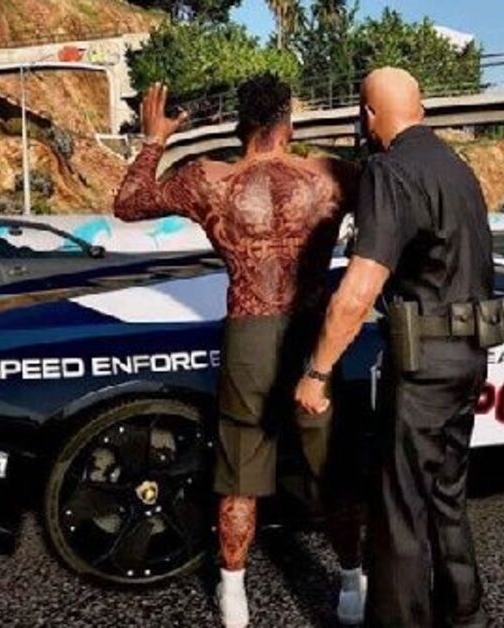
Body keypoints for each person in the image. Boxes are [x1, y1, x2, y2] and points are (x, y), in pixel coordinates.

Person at [114, 74, 367, 628]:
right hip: (313, 333)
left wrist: (155, 139)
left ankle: (234, 595)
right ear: (287, 122)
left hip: (249, 330)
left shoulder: (208, 180)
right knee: (331, 466)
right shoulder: (329, 175)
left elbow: (128, 202)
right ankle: (352, 581)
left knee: (239, 474)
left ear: (239, 125)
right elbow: (392, 202)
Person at [295, 67, 499, 627]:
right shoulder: (458, 168)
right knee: (446, 494)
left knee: (399, 508)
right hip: (470, 356)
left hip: (425, 363)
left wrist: (317, 371)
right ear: (421, 109)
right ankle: (465, 615)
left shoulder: (390, 171)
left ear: (367, 115)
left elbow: (358, 290)